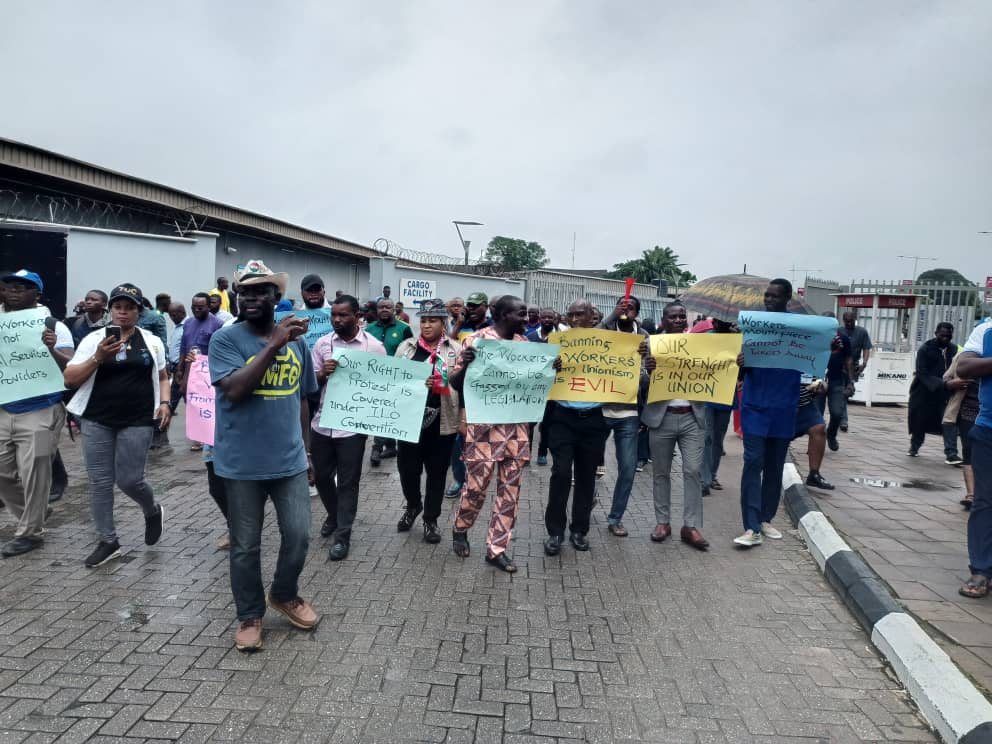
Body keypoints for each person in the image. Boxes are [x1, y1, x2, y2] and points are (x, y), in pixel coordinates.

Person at [207, 260, 319, 651]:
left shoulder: (299, 342)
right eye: (245, 292)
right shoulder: (226, 340)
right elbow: (235, 390)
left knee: (300, 535)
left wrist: (306, 450)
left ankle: (284, 594)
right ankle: (250, 615)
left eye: (261, 292)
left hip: (288, 460)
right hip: (241, 464)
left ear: (277, 298)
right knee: (245, 545)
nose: (251, 298)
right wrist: (273, 345)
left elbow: (302, 398)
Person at [64, 283, 170, 567]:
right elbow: (70, 378)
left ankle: (152, 509)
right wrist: (99, 355)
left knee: (130, 479)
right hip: (97, 418)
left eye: (130, 308)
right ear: (110, 310)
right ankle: (108, 541)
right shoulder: (93, 339)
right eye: (118, 307)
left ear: (139, 311)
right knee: (99, 482)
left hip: (137, 419)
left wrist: (165, 403)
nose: (123, 313)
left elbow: (162, 375)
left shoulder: (151, 341)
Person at [449, 295, 531, 573]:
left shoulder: (525, 345)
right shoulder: (475, 341)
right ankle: (460, 528)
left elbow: (533, 385)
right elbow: (456, 383)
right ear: (502, 315)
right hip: (484, 431)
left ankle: (497, 550)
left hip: (516, 432)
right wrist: (468, 365)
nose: (525, 319)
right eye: (520, 314)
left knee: (509, 494)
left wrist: (549, 371)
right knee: (475, 489)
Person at [0, 270, 74, 557]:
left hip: (44, 411)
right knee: (2, 473)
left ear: (37, 295)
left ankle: (30, 532)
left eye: (23, 287)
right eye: (10, 287)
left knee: (37, 472)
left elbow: (72, 370)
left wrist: (53, 348)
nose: (14, 291)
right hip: (5, 410)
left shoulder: (54, 325)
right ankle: (37, 512)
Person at [311, 295, 386, 561]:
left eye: (343, 315)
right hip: (321, 424)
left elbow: (383, 387)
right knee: (320, 477)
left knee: (348, 482)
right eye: (333, 315)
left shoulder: (373, 348)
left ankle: (343, 535)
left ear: (357, 316)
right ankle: (333, 514)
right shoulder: (322, 344)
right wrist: (322, 374)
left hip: (353, 428)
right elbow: (310, 384)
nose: (337, 320)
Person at [733, 279, 802, 547]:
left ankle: (765, 518)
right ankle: (750, 526)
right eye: (767, 296)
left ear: (787, 298)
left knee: (775, 466)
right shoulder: (754, 325)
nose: (769, 300)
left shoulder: (799, 328)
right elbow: (740, 368)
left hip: (784, 405)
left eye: (774, 296)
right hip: (755, 406)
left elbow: (813, 359)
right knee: (753, 463)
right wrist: (741, 362)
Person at [543, 300, 610, 556]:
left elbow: (624, 370)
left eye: (579, 314)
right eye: (570, 314)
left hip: (593, 418)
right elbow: (540, 376)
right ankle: (555, 532)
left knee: (586, 476)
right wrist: (551, 368)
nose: (573, 319)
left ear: (592, 316)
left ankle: (579, 530)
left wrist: (634, 354)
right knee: (560, 472)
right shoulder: (556, 342)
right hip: (563, 417)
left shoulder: (608, 343)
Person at [640, 302, 709, 550]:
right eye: (674, 316)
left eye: (682, 316)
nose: (679, 320)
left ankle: (690, 526)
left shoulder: (701, 346)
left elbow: (717, 371)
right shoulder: (649, 345)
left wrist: (736, 362)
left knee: (692, 471)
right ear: (664, 319)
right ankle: (663, 522)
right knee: (661, 472)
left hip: (693, 416)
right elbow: (638, 381)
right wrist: (647, 371)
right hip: (662, 417)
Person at [393, 299, 461, 543]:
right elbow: (394, 381)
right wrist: (416, 383)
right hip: (409, 422)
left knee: (437, 473)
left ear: (443, 323)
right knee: (407, 471)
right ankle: (413, 505)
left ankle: (431, 519)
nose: (427, 325)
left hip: (442, 423)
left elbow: (462, 385)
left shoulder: (455, 349)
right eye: (423, 320)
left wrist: (441, 383)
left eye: (432, 320)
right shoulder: (406, 348)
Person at [596, 296, 651, 537]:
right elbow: (590, 343)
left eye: (630, 307)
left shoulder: (645, 337)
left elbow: (651, 376)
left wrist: (643, 364)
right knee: (589, 466)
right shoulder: (606, 329)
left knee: (628, 469)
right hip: (599, 410)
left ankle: (615, 517)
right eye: (621, 305)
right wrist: (610, 316)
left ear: (637, 312)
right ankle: (587, 501)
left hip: (629, 413)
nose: (625, 310)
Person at [956, 320, 992, 599]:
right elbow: (964, 368)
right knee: (985, 500)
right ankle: (981, 569)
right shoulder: (987, 330)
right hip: (988, 430)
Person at [365, 298, 414, 466]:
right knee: (381, 411)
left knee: (384, 411)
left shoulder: (404, 329)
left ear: (394, 309)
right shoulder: (369, 329)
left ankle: (376, 448)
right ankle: (391, 446)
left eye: (388, 307)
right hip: (374, 378)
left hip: (396, 379)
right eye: (381, 307)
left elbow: (411, 352)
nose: (384, 309)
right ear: (376, 310)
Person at [908, 322, 961, 459]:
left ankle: (951, 454)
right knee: (919, 422)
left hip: (944, 394)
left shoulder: (954, 349)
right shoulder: (925, 349)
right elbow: (921, 372)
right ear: (936, 333)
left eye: (948, 336)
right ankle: (914, 447)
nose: (945, 338)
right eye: (942, 335)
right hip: (923, 392)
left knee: (949, 421)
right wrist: (942, 384)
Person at [700, 319, 738, 496]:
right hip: (707, 395)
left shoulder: (737, 339)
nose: (718, 324)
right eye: (716, 321)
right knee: (706, 437)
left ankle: (712, 475)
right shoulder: (707, 338)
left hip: (726, 396)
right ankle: (704, 479)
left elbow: (743, 367)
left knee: (718, 439)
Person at [943, 352, 981, 509]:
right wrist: (952, 383)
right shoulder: (966, 355)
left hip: (987, 411)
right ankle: (971, 495)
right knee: (969, 450)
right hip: (968, 410)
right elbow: (947, 377)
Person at [526, 308, 559, 465]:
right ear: (540, 318)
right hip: (532, 387)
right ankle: (526, 454)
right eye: (544, 317)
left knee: (547, 424)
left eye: (550, 317)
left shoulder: (560, 339)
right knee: (530, 423)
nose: (547, 320)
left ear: (555, 319)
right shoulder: (530, 337)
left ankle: (542, 453)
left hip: (552, 388)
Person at [795, 376, 836, 491]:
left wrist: (821, 385)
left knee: (819, 428)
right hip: (781, 405)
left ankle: (814, 474)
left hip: (805, 405)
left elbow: (819, 379)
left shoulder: (814, 358)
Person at [816, 331, 855, 452]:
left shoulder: (843, 338)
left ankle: (831, 435)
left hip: (837, 380)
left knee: (837, 413)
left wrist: (850, 381)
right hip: (818, 380)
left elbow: (848, 359)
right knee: (817, 415)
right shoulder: (817, 336)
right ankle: (815, 442)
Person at [838, 311, 872, 432]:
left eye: (851, 321)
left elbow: (866, 348)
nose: (848, 323)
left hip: (854, 367)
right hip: (839, 366)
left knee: (846, 392)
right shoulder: (840, 331)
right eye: (846, 321)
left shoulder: (862, 332)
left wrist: (865, 362)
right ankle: (843, 420)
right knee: (842, 392)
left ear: (855, 319)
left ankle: (840, 418)